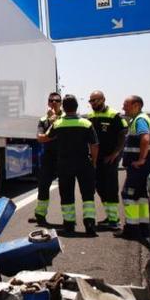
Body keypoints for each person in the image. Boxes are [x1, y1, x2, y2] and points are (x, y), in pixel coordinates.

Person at [49, 95, 99, 235]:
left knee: (66, 194)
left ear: (63, 107)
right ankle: (89, 223)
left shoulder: (58, 124)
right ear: (77, 107)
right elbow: (94, 145)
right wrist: (93, 161)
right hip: (83, 162)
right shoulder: (86, 123)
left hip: (64, 163)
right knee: (88, 194)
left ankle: (69, 224)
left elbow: (47, 137)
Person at [119, 95, 150, 240]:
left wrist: (141, 159)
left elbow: (145, 138)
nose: (123, 107)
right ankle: (144, 228)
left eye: (126, 104)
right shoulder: (138, 119)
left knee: (128, 195)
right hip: (144, 168)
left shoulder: (140, 120)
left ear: (136, 105)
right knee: (142, 197)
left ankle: (132, 229)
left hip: (140, 168)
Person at [86, 91, 128, 229]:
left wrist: (115, 154)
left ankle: (114, 220)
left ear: (103, 99)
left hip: (110, 158)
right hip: (96, 158)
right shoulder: (90, 116)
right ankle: (110, 217)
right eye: (91, 101)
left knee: (110, 187)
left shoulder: (114, 115)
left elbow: (123, 135)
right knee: (99, 186)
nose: (93, 103)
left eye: (95, 100)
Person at [32, 92, 63, 226]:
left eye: (57, 100)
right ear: (48, 103)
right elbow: (40, 137)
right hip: (47, 157)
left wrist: (52, 124)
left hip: (63, 157)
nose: (54, 102)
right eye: (51, 100)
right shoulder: (43, 119)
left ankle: (68, 220)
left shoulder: (67, 117)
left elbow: (61, 136)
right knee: (43, 186)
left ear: (61, 103)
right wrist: (51, 123)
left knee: (65, 188)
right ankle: (40, 215)